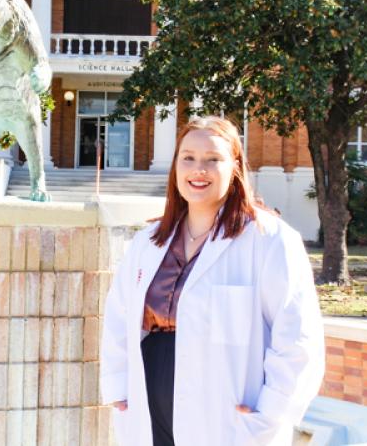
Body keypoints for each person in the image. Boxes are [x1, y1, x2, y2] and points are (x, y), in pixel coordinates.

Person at [100, 116, 325, 446]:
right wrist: (118, 385)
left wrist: (271, 413)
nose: (198, 170)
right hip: (148, 398)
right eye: (188, 157)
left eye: (212, 159)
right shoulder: (149, 241)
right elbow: (119, 317)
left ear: (234, 165)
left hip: (228, 412)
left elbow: (297, 338)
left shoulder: (269, 239)